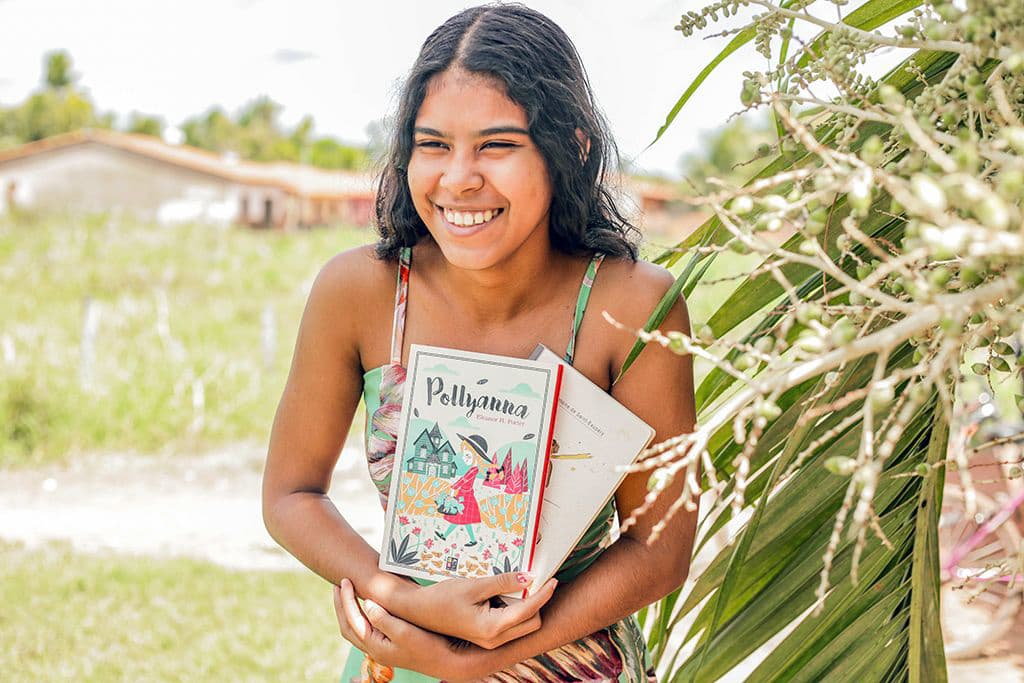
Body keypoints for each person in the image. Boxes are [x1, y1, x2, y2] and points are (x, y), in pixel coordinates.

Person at [262, 4, 698, 682]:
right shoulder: (362, 293)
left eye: (495, 145)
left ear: (572, 147)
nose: (459, 177)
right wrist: (396, 598)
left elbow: (660, 545)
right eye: (433, 144)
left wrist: (485, 654)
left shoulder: (634, 307)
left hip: (569, 663)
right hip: (400, 659)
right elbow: (290, 494)